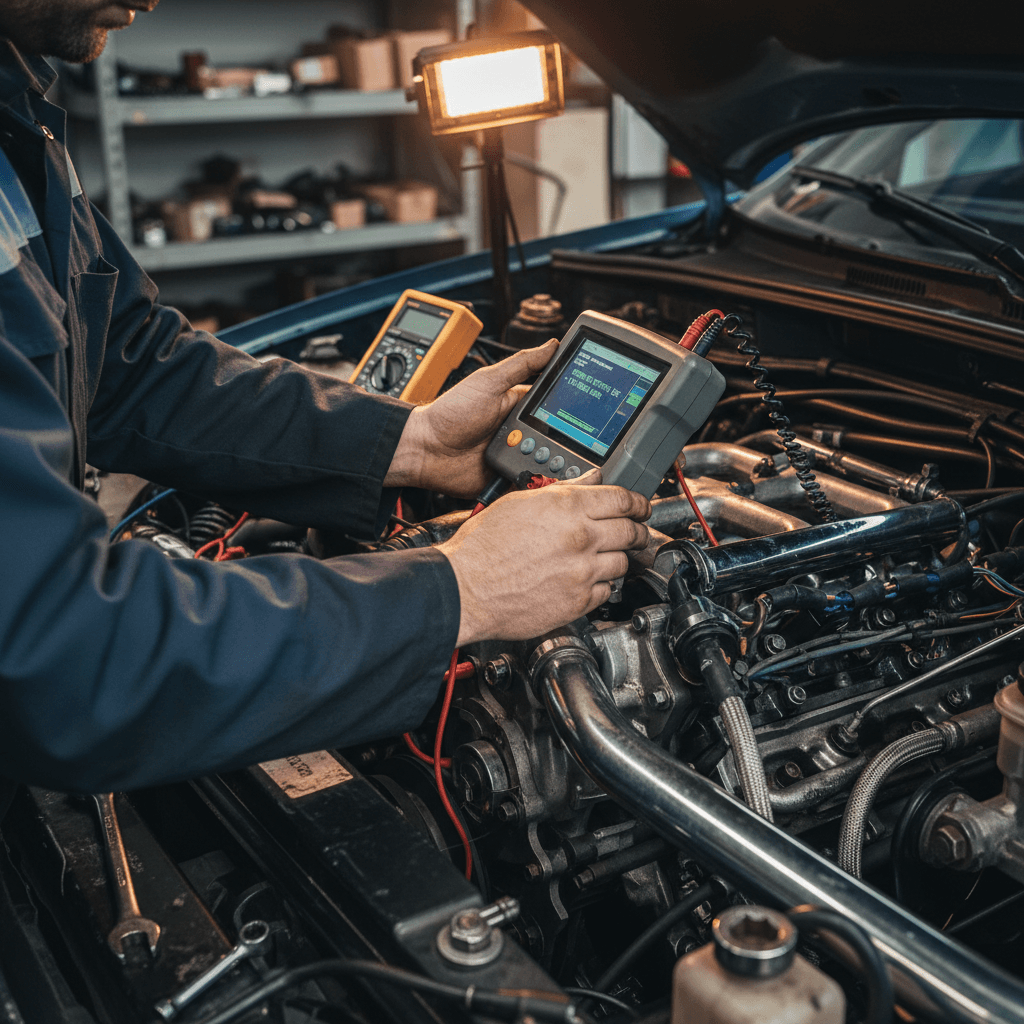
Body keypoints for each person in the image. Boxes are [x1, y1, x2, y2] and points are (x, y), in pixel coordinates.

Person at [0, 0, 651, 798]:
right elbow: (60, 660)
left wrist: (408, 442)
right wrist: (460, 590)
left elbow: (131, 363)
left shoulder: (17, 111)